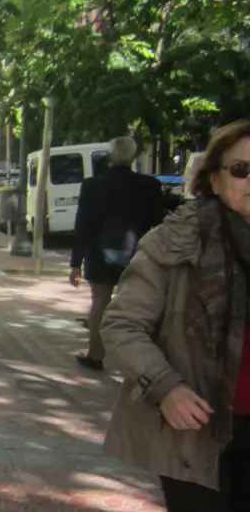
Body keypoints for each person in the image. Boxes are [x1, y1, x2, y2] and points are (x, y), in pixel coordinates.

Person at [102, 120, 250, 511]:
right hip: (198, 430)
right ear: (214, 178)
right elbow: (121, 325)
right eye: (242, 169)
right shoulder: (175, 242)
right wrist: (165, 387)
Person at [69, 136, 165, 371]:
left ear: (110, 155)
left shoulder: (92, 186)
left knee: (100, 306)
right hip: (137, 257)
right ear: (133, 156)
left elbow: (83, 226)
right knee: (134, 309)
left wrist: (75, 264)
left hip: (99, 257)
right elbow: (159, 224)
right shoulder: (149, 186)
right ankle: (133, 361)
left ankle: (96, 355)